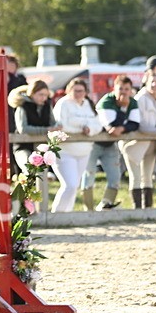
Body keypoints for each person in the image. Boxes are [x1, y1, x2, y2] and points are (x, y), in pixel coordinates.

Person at [121, 71, 156, 209]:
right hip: (135, 143)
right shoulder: (138, 100)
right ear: (145, 83)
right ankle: (137, 210)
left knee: (148, 176)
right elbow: (141, 125)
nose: (154, 84)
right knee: (135, 177)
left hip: (154, 145)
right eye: (151, 81)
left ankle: (148, 209)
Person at [88, 75, 139, 210]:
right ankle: (88, 209)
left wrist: (123, 128)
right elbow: (111, 125)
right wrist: (123, 109)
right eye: (120, 88)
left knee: (115, 177)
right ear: (114, 89)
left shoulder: (132, 102)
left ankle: (105, 205)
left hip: (110, 144)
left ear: (130, 90)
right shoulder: (107, 102)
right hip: (94, 143)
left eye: (126, 89)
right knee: (89, 176)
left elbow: (135, 124)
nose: (123, 92)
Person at [51, 78, 100, 213]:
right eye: (75, 90)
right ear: (69, 90)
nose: (78, 93)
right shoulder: (63, 104)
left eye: (81, 91)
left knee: (75, 185)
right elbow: (61, 125)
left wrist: (90, 129)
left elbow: (98, 124)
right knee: (70, 185)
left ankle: (68, 214)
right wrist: (81, 128)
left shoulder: (88, 104)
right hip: (65, 151)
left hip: (84, 151)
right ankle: (57, 214)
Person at [10, 80, 56, 174]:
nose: (44, 98)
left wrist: (56, 128)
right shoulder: (22, 106)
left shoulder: (47, 106)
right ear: (32, 93)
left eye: (46, 95)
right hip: (23, 146)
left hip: (41, 146)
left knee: (41, 174)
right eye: (40, 94)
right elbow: (23, 129)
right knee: (28, 169)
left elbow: (52, 123)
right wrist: (46, 130)